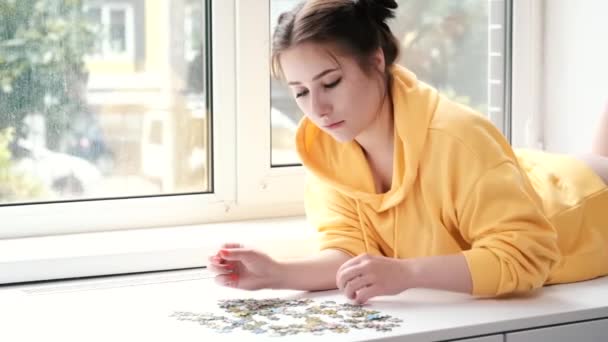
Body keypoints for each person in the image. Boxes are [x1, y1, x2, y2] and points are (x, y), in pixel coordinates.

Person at [209, 0, 608, 304]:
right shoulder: (328, 149)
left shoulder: (458, 137)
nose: (317, 108)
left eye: (330, 83)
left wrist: (408, 272)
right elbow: (350, 251)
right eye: (299, 92)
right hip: (524, 175)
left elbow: (526, 254)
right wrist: (277, 275)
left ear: (376, 61)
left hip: (582, 207)